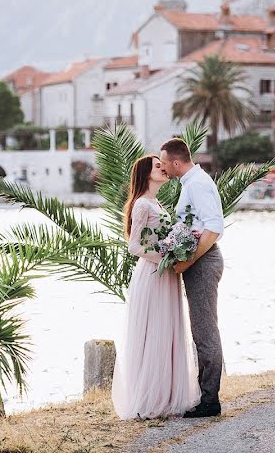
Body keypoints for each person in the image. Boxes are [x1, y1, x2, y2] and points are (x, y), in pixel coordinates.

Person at [111, 155, 200, 419]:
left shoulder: (156, 203)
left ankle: (167, 396)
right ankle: (151, 400)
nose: (163, 168)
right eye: (157, 166)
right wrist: (166, 258)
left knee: (168, 333)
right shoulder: (141, 205)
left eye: (162, 165)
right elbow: (134, 246)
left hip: (166, 276)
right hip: (152, 274)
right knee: (155, 334)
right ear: (146, 174)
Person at [159, 138, 225, 418]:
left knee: (205, 331)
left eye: (163, 162)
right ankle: (205, 395)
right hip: (200, 259)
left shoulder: (197, 184)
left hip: (204, 261)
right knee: (201, 329)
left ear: (175, 162)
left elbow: (214, 227)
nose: (161, 167)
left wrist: (188, 261)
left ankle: (210, 401)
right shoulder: (190, 183)